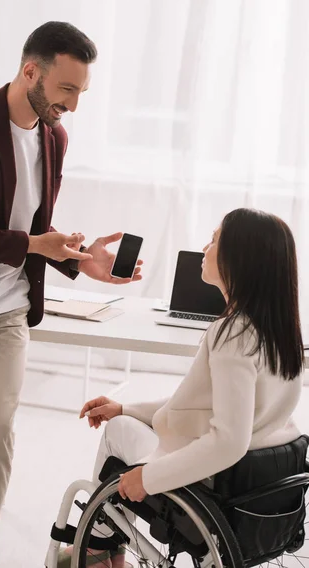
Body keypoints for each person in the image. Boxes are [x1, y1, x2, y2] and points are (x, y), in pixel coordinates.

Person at [0, 21, 142, 568]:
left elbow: (32, 228)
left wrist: (84, 262)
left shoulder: (53, 138)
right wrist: (37, 241)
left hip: (7, 313)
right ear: (30, 71)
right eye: (66, 89)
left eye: (81, 92)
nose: (74, 105)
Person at [58, 208, 304, 568]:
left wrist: (149, 476)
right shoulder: (280, 332)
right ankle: (105, 547)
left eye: (216, 239)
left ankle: (97, 547)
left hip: (216, 481)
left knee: (117, 433)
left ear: (239, 259)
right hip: (265, 482)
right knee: (123, 420)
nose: (205, 247)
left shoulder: (231, 334)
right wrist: (126, 407)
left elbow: (228, 441)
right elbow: (200, 407)